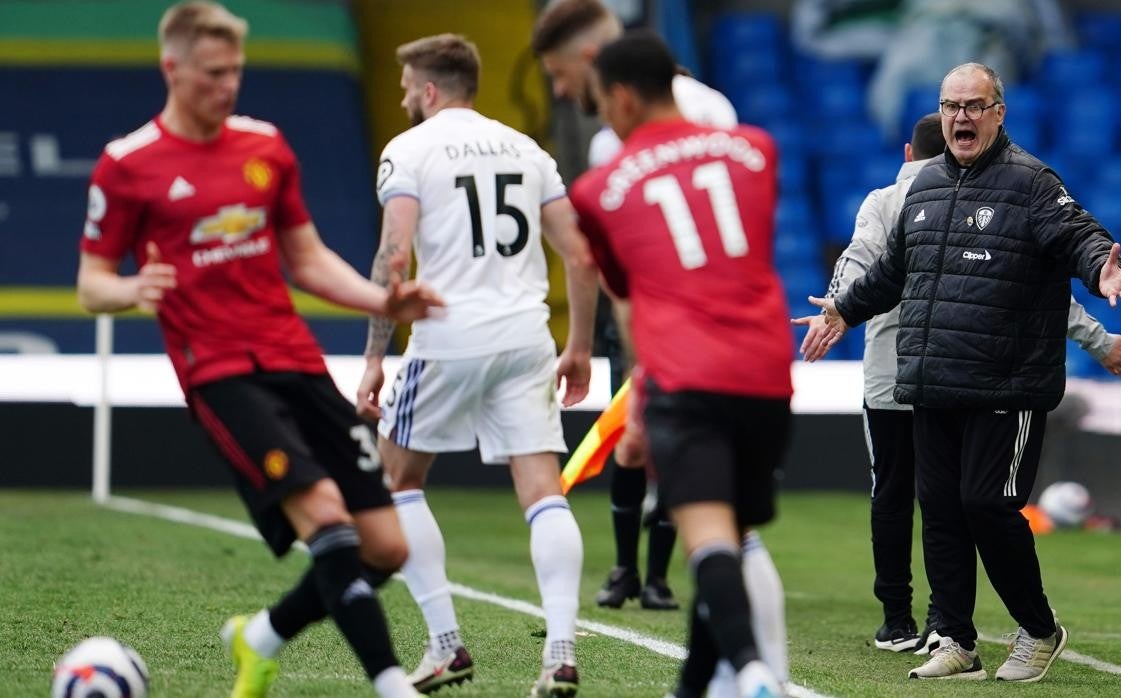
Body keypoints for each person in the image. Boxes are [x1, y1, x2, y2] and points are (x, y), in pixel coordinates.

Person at [75, 4, 443, 697]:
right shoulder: (127, 167)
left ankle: (262, 636)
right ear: (172, 69)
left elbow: (305, 258)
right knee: (327, 520)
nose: (229, 86)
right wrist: (130, 288)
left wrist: (382, 302)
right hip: (218, 373)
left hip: (294, 359)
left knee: (386, 547)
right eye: (214, 74)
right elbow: (90, 284)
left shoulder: (266, 147)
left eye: (237, 71)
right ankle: (392, 684)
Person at [797, 62, 1121, 682]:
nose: (962, 116)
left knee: (987, 504)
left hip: (1005, 382)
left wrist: (1102, 271)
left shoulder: (1032, 181)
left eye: (974, 105)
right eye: (952, 106)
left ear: (998, 112)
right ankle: (955, 639)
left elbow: (1077, 234)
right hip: (932, 379)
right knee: (940, 509)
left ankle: (1039, 629)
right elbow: (892, 271)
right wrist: (844, 310)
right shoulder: (927, 184)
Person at [354, 33, 598, 698]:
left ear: (430, 91)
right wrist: (579, 344)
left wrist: (376, 359)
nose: (404, 98)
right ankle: (562, 651)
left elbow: (392, 260)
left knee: (395, 482)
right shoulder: (528, 150)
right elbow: (580, 256)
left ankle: (445, 646)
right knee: (544, 493)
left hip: (448, 336)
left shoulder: (407, 151)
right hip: (525, 338)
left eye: (408, 88)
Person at [570, 32, 792, 698]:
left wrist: (637, 400)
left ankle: (755, 670)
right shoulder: (758, 149)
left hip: (686, 373)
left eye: (601, 105)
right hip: (765, 370)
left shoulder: (597, 190)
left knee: (708, 544)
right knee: (727, 542)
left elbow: (627, 300)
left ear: (625, 97)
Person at [532, 0, 736, 614]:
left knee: (656, 447)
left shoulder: (677, 125)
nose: (563, 93)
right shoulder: (720, 118)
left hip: (677, 326)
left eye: (562, 76)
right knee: (641, 443)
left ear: (592, 62)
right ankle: (633, 569)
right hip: (673, 326)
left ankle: (656, 576)